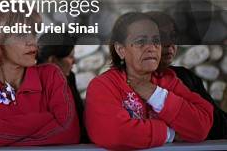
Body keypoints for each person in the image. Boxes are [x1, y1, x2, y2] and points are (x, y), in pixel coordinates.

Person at [85, 11, 213, 150]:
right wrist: (169, 134)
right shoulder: (103, 86)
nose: (152, 48)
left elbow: (202, 125)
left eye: (156, 41)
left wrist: (155, 93)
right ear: (121, 50)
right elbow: (115, 134)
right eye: (140, 41)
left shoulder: (168, 80)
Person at [0, 3, 80, 146]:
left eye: (33, 34)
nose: (33, 44)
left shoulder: (51, 75)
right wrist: (45, 119)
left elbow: (69, 134)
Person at [149, 11, 227, 139]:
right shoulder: (121, 81)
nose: (170, 43)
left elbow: (218, 124)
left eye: (173, 36)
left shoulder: (184, 76)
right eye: (161, 36)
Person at [37, 33, 88, 142]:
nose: (74, 61)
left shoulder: (69, 77)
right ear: (52, 61)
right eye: (70, 57)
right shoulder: (32, 85)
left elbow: (79, 118)